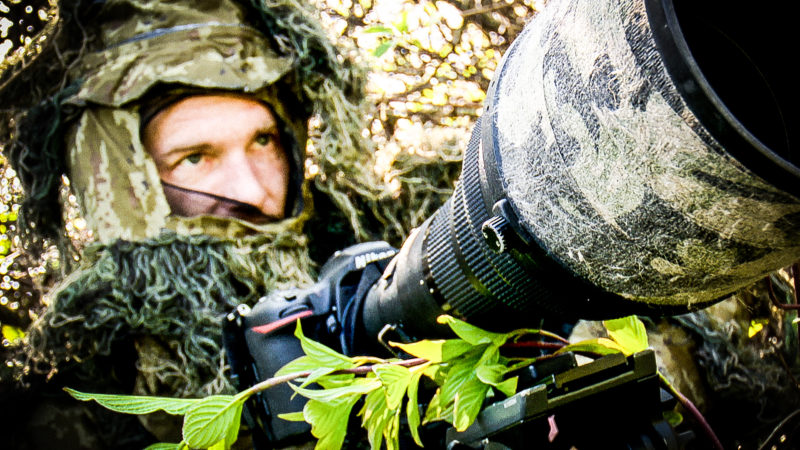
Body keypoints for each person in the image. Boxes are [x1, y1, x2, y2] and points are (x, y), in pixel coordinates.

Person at [0, 0, 392, 447]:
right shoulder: (52, 423)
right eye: (194, 158)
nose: (249, 192)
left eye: (263, 140)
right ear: (124, 185)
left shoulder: (380, 307)